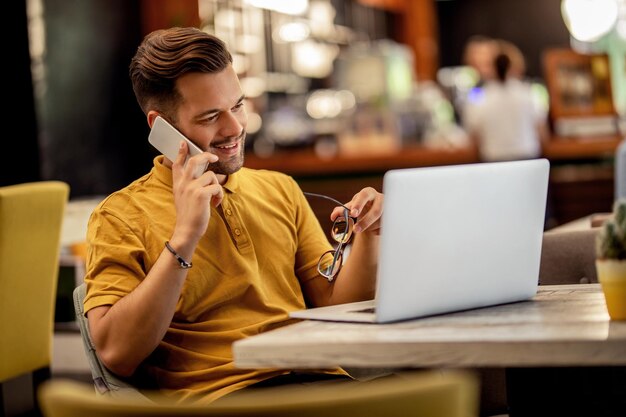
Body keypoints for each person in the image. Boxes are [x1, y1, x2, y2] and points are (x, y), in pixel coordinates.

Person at [83, 26, 384, 404]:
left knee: (448, 391)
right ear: (161, 127)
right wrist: (184, 237)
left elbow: (336, 310)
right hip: (228, 399)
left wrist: (370, 234)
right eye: (211, 117)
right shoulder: (119, 216)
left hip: (321, 384)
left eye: (238, 105)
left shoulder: (279, 188)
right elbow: (116, 354)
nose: (236, 127)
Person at [461, 40, 549, 162]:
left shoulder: (479, 97)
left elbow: (474, 138)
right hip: (528, 159)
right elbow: (542, 132)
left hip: (495, 162)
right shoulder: (528, 93)